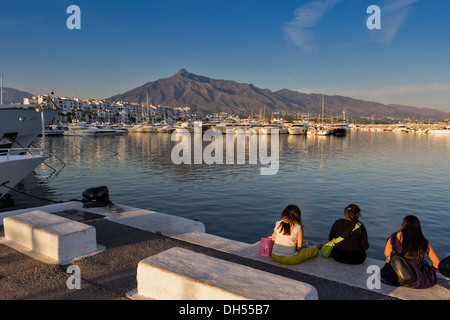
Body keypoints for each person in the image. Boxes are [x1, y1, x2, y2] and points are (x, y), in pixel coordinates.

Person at [380, 215, 440, 289]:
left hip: (396, 275)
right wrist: (431, 270)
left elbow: (387, 254)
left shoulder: (394, 237)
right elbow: (437, 263)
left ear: (403, 225)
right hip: (418, 280)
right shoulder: (424, 241)